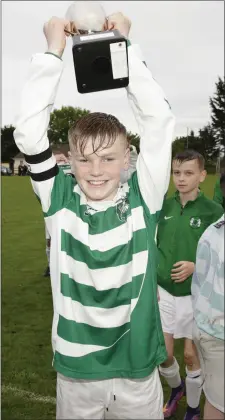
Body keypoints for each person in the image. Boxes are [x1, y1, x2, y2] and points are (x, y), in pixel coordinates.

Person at [14, 13, 175, 419]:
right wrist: (53, 53)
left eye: (108, 158)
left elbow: (158, 121)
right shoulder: (59, 197)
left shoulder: (145, 195)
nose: (96, 170)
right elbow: (29, 134)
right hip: (76, 374)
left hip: (138, 373)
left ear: (127, 158)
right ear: (69, 159)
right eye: (84, 159)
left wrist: (122, 45)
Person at [156, 150, 224, 420]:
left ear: (202, 176)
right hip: (164, 292)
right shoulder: (163, 206)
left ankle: (194, 408)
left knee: (190, 357)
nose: (181, 179)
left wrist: (195, 267)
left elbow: (218, 256)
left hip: (195, 298)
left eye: (188, 173)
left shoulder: (214, 211)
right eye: (176, 173)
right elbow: (152, 245)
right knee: (162, 355)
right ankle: (177, 388)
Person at [192, 172, 225, 420]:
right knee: (217, 402)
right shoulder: (213, 234)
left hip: (208, 328)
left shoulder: (212, 232)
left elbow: (200, 281)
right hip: (216, 334)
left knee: (216, 399)